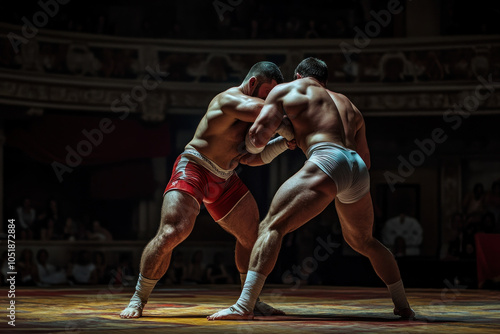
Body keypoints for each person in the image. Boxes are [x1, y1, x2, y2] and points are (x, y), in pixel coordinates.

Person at [208, 57, 414, 320]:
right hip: (358, 170)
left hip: (327, 159)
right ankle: (403, 306)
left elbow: (258, 137)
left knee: (271, 226)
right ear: (324, 81)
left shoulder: (288, 90)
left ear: (297, 76)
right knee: (364, 241)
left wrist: (260, 144)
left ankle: (243, 306)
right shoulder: (348, 104)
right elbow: (366, 159)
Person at [120, 61, 293, 318]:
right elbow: (267, 112)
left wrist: (283, 143)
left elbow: (252, 158)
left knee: (252, 237)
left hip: (225, 177)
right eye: (269, 93)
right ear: (253, 84)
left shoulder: (257, 117)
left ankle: (250, 300)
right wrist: (295, 123)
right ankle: (138, 297)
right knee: (172, 232)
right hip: (195, 166)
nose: (272, 100)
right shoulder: (229, 99)